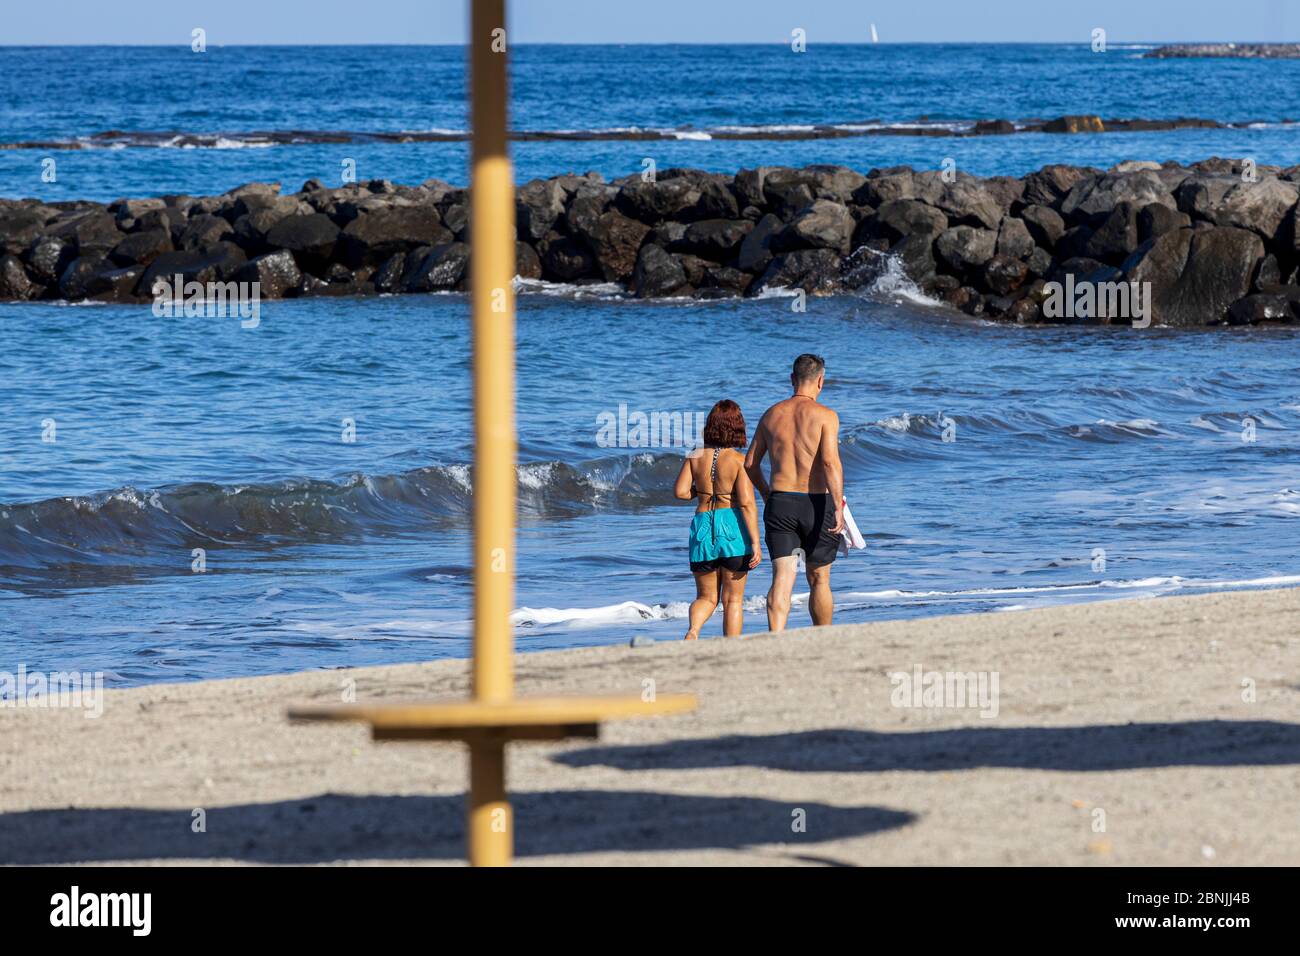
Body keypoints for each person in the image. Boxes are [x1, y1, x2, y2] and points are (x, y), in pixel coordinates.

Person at [744, 354, 844, 632]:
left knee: (782, 577)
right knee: (820, 578)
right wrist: (838, 505)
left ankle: (776, 639)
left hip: (781, 502)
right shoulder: (826, 416)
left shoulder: (771, 414)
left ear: (792, 379)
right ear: (821, 381)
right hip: (817, 503)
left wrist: (766, 493)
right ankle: (822, 638)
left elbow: (750, 463)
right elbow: (829, 463)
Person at [673, 400, 763, 640]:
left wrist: (702, 492)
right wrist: (756, 542)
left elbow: (680, 492)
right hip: (732, 527)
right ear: (737, 427)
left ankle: (693, 631)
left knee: (706, 597)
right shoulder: (738, 460)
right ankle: (730, 648)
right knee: (733, 600)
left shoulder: (695, 454)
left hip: (703, 525)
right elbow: (746, 503)